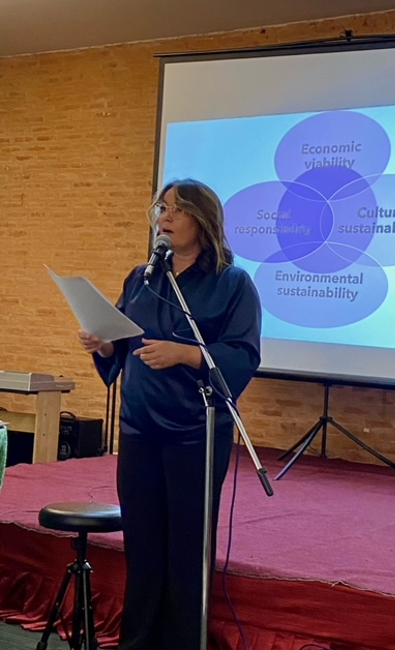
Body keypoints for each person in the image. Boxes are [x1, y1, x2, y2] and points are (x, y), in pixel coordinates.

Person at [78, 178, 262, 650]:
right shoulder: (142, 277)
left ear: (202, 220)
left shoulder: (232, 283)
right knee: (142, 542)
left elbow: (242, 353)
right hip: (140, 426)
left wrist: (184, 355)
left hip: (194, 433)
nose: (165, 216)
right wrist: (103, 344)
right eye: (161, 207)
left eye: (177, 209)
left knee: (186, 547)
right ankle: (137, 641)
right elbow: (120, 340)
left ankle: (182, 642)